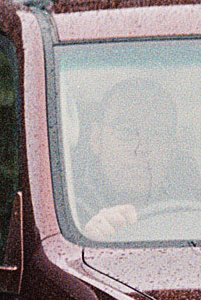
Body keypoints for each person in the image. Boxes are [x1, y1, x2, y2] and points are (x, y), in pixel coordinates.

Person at [76, 77, 183, 239]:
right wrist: (87, 240)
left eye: (157, 134)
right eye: (126, 131)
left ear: (172, 149)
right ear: (96, 139)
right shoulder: (66, 216)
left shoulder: (196, 216)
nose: (142, 148)